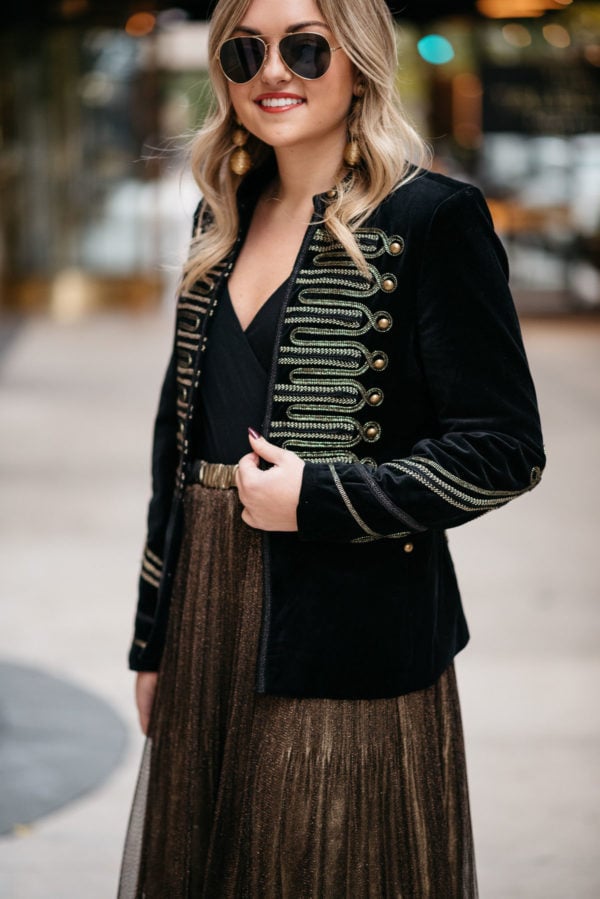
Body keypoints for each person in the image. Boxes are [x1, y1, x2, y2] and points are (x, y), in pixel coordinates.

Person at [118, 0, 545, 896]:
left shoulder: (434, 218)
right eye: (245, 52)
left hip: (351, 629)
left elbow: (505, 446)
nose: (274, 72)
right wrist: (153, 641)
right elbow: (175, 447)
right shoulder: (219, 217)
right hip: (204, 617)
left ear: (358, 60)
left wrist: (320, 499)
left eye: (305, 48)